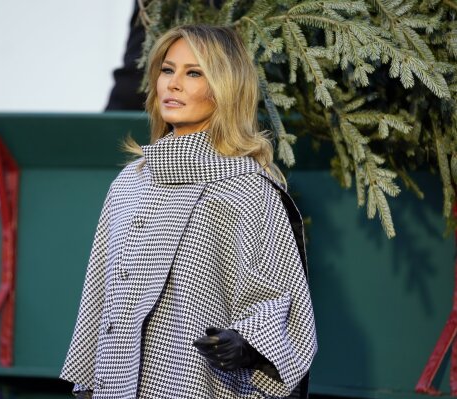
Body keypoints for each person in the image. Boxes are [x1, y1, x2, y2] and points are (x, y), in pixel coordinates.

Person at [60, 24, 317, 399]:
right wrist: (88, 382)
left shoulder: (247, 188)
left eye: (193, 73)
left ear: (225, 88)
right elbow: (100, 293)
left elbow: (282, 299)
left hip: (199, 385)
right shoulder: (129, 184)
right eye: (168, 70)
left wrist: (244, 344)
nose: (173, 83)